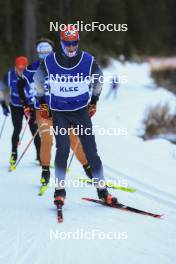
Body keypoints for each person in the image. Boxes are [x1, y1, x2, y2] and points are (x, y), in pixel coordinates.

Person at [34, 25, 118, 207]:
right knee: (62, 149)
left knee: (91, 151)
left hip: (81, 111)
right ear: (61, 43)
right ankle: (59, 191)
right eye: (67, 44)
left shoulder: (87, 59)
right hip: (59, 112)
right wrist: (41, 101)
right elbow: (38, 79)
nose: (71, 47)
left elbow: (99, 78)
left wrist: (94, 100)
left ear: (77, 42)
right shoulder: (50, 61)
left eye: (74, 43)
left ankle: (102, 190)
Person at [18, 38, 93, 190]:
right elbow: (21, 84)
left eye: (47, 51)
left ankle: (89, 169)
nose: (44, 55)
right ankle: (45, 171)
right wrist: (26, 104)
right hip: (42, 111)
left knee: (73, 140)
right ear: (38, 53)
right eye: (41, 52)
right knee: (47, 139)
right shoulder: (32, 68)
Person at [0, 56, 41, 168]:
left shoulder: (33, 75)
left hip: (30, 106)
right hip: (16, 106)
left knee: (35, 131)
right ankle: (14, 154)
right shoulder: (9, 76)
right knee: (17, 129)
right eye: (19, 68)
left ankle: (40, 156)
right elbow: (1, 88)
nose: (21, 71)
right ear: (15, 67)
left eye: (23, 69)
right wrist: (3, 103)